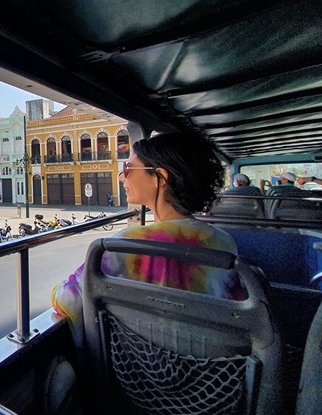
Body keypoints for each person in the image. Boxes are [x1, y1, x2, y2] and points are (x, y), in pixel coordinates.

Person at [51, 132, 245, 349]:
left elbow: (66, 300)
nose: (121, 177)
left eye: (128, 169)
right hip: (214, 374)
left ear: (159, 178)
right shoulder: (222, 241)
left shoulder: (126, 246)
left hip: (141, 372)